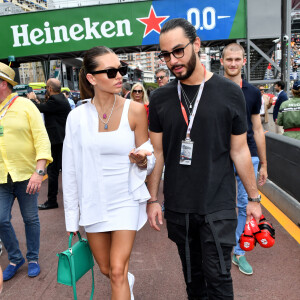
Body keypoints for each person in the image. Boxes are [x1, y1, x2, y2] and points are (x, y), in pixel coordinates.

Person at [147, 18, 262, 299]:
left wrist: (254, 199)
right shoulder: (160, 98)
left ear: (196, 44)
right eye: (165, 54)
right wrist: (152, 199)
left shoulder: (230, 92)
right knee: (193, 281)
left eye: (178, 51)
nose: (173, 60)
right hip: (178, 207)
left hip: (218, 205)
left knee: (219, 277)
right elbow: (158, 153)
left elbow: (239, 150)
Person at [62, 46, 155, 300]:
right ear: (91, 78)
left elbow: (150, 154)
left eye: (121, 70)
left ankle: (122, 280)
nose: (119, 76)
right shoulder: (76, 117)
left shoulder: (134, 110)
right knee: (106, 268)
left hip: (125, 198)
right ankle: (127, 281)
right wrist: (72, 219)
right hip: (93, 201)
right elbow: (69, 169)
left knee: (116, 271)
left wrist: (142, 161)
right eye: (112, 71)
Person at [0, 62, 52, 281]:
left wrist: (38, 172)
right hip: (2, 176)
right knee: (1, 219)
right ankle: (15, 257)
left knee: (30, 218)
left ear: (3, 84)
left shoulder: (25, 105)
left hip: (27, 174)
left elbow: (41, 138)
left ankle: (32, 258)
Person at [221, 43, 268, 276]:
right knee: (218, 203)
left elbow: (258, 128)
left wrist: (264, 163)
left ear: (244, 61)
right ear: (221, 61)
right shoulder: (212, 89)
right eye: (228, 59)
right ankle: (219, 249)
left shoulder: (253, 92)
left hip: (248, 154)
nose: (233, 63)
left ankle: (239, 252)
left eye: (237, 59)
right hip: (219, 154)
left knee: (245, 205)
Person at [32, 79, 71, 210]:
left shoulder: (55, 101)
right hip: (61, 140)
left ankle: (52, 200)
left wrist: (31, 99)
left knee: (53, 171)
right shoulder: (61, 99)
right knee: (61, 169)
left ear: (49, 88)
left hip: (56, 141)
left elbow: (39, 108)